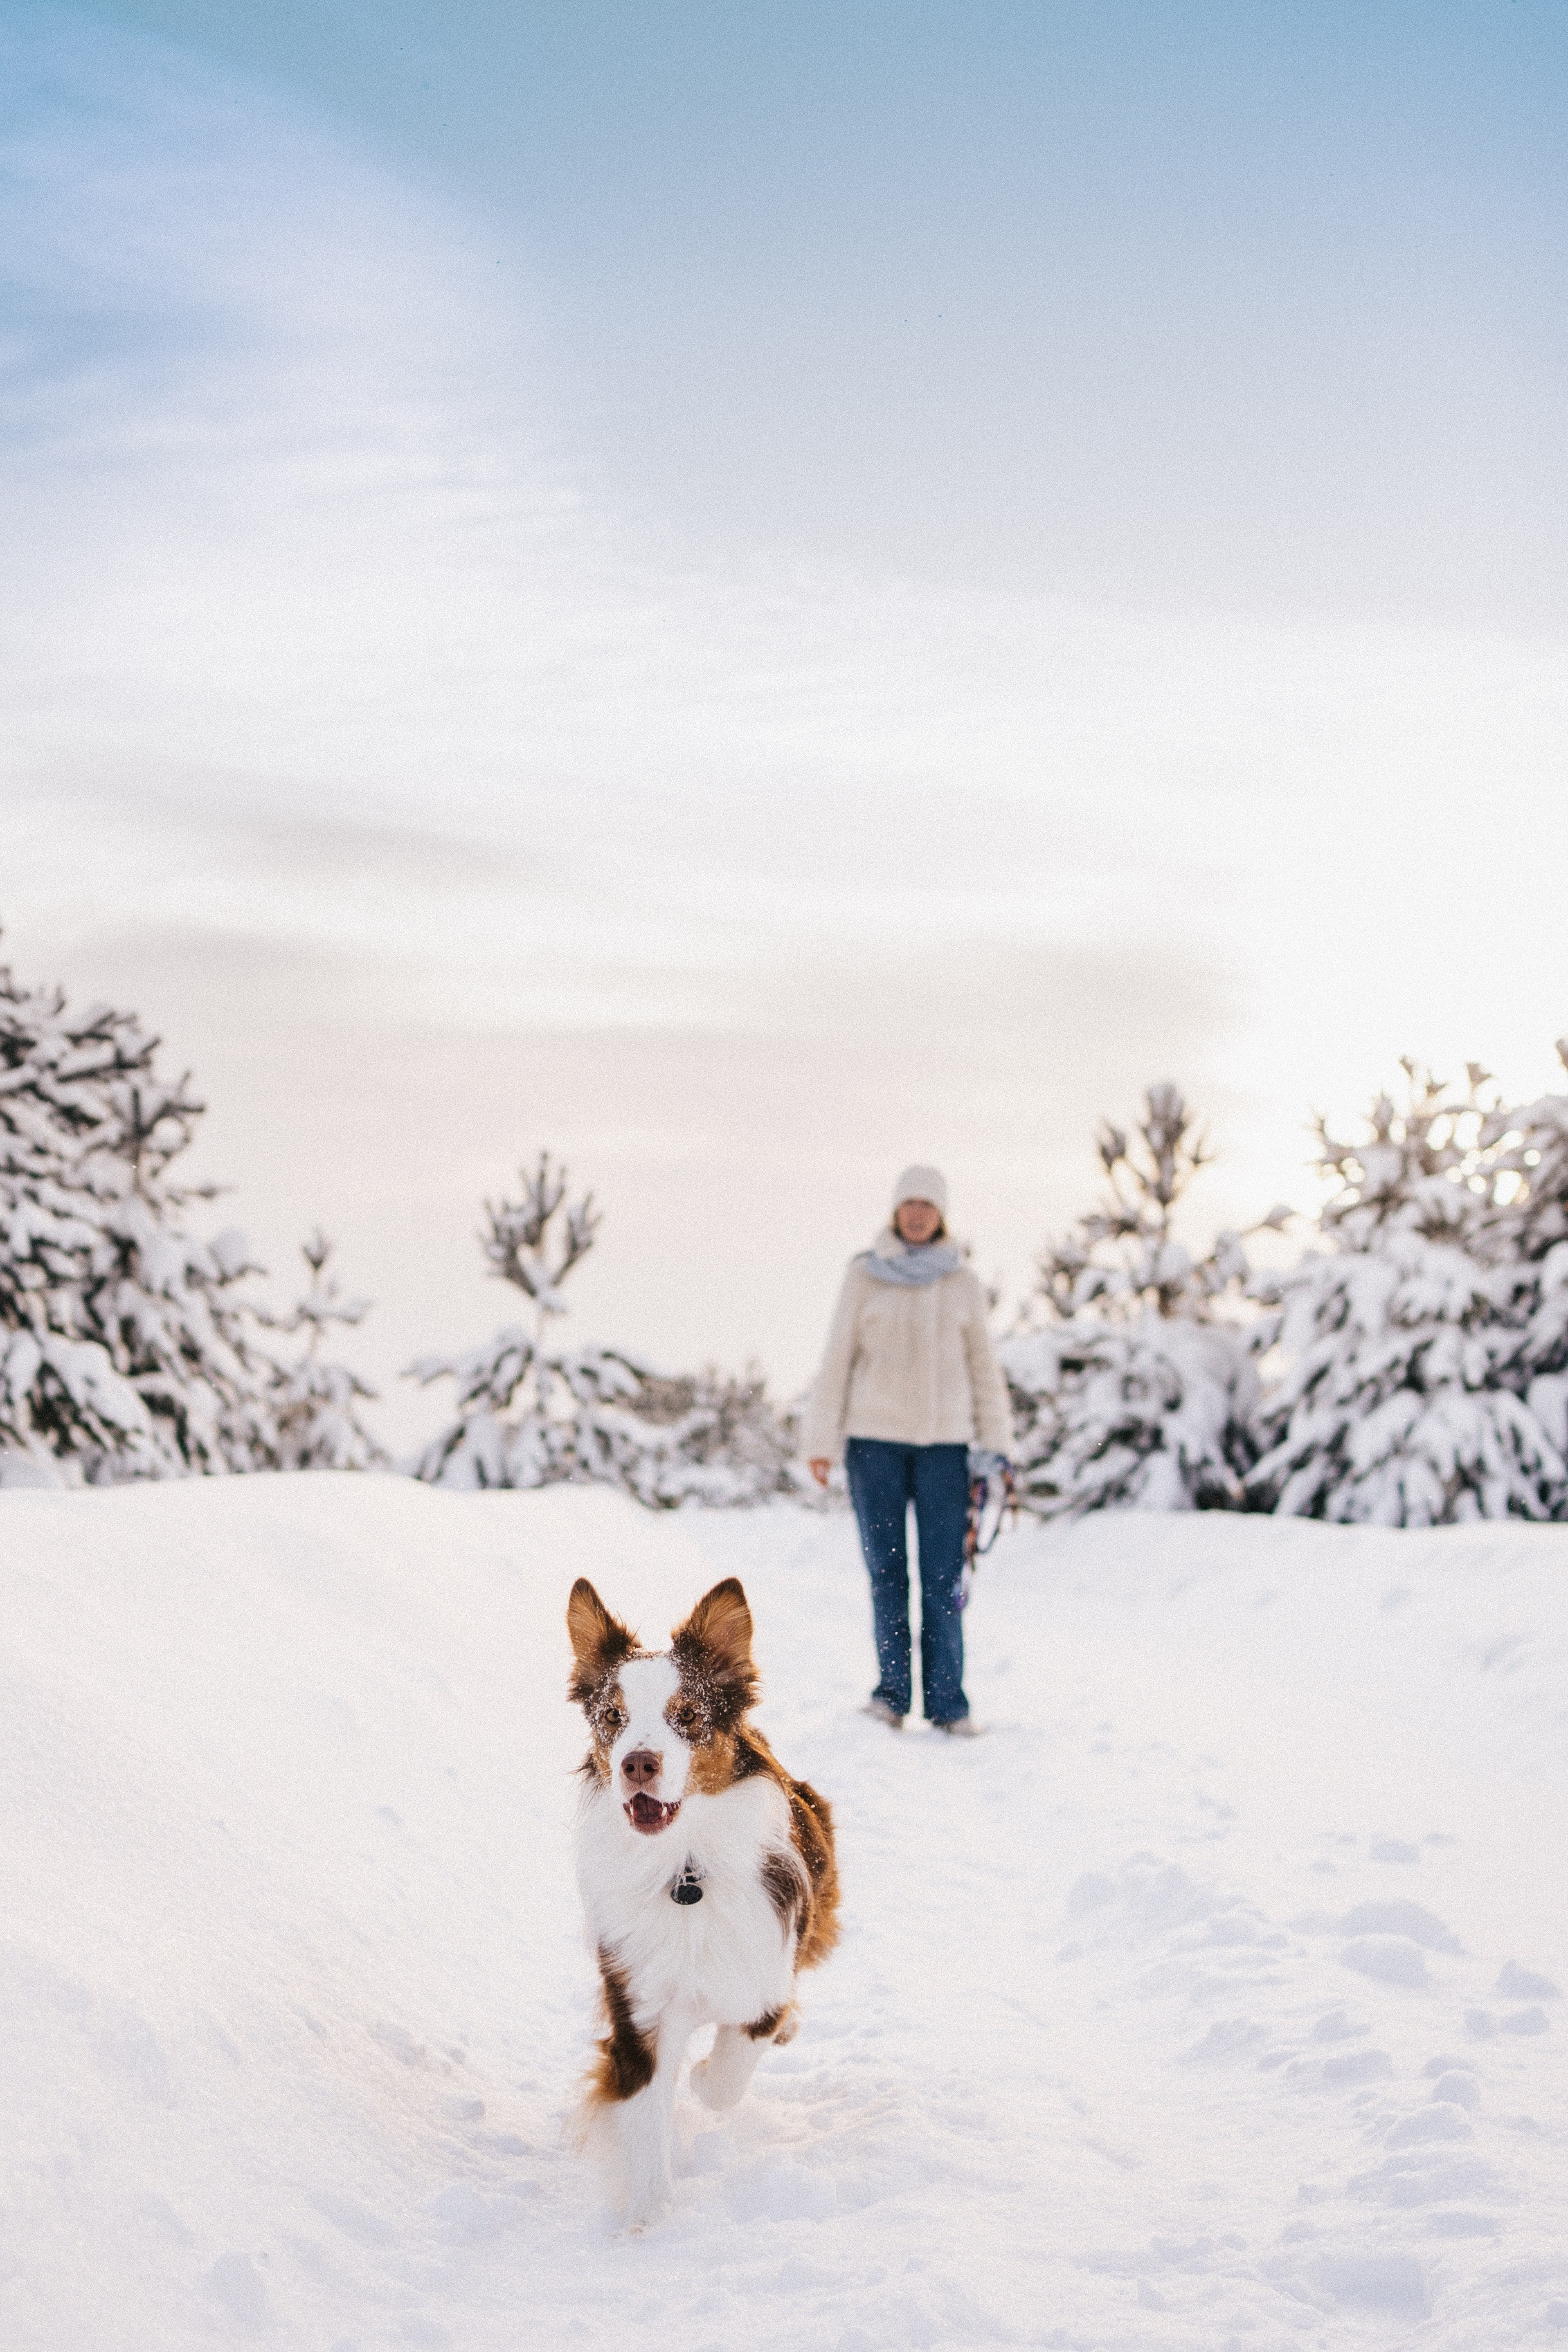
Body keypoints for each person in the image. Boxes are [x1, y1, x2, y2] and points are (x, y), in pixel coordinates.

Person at [802, 1164, 1014, 1735]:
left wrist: (997, 1445)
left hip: (946, 1449)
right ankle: (891, 1695)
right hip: (875, 1446)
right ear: (894, 1211)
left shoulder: (963, 1283)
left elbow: (983, 1370)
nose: (917, 1213)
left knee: (942, 1578)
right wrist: (820, 1441)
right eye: (909, 1203)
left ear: (942, 1215)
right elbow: (836, 1358)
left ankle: (949, 1703)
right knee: (887, 1574)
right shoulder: (864, 1276)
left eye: (928, 1204)